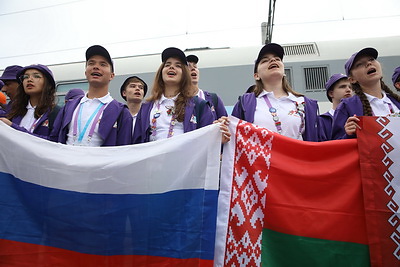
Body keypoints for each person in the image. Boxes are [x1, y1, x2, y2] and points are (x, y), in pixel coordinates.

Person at [133, 47, 229, 144]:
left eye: (178, 65)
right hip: (153, 158)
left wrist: (218, 138)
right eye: (167, 64)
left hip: (187, 158)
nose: (171, 67)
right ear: (161, 72)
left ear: (184, 74)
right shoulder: (146, 107)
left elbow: (209, 142)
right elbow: (136, 143)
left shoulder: (200, 105)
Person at [231, 43, 319, 141]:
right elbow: (233, 137)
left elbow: (316, 141)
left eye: (277, 59)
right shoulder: (245, 104)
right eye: (265, 60)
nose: (273, 60)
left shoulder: (304, 103)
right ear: (256, 76)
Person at [50, 45, 132, 146]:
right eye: (91, 63)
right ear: (86, 72)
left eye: (103, 64)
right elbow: (53, 140)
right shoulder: (69, 107)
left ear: (112, 75)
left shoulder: (121, 112)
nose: (96, 67)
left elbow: (123, 149)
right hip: (66, 161)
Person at [331, 47, 400, 139]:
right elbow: (336, 146)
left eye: (371, 59)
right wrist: (348, 134)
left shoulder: (396, 101)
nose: (368, 63)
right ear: (352, 79)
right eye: (359, 64)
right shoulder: (347, 106)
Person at [0, 64, 60, 139]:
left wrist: (13, 127)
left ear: (48, 84)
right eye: (25, 77)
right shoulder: (15, 110)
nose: (29, 79)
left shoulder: (56, 112)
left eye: (36, 76)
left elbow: (53, 143)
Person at [186, 54, 227, 120]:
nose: (193, 69)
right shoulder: (178, 100)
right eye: (188, 67)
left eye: (195, 67)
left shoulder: (214, 99)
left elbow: (226, 123)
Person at [318, 73, 352, 141]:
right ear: (331, 93)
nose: (348, 90)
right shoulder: (322, 121)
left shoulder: (358, 116)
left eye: (350, 87)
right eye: (342, 86)